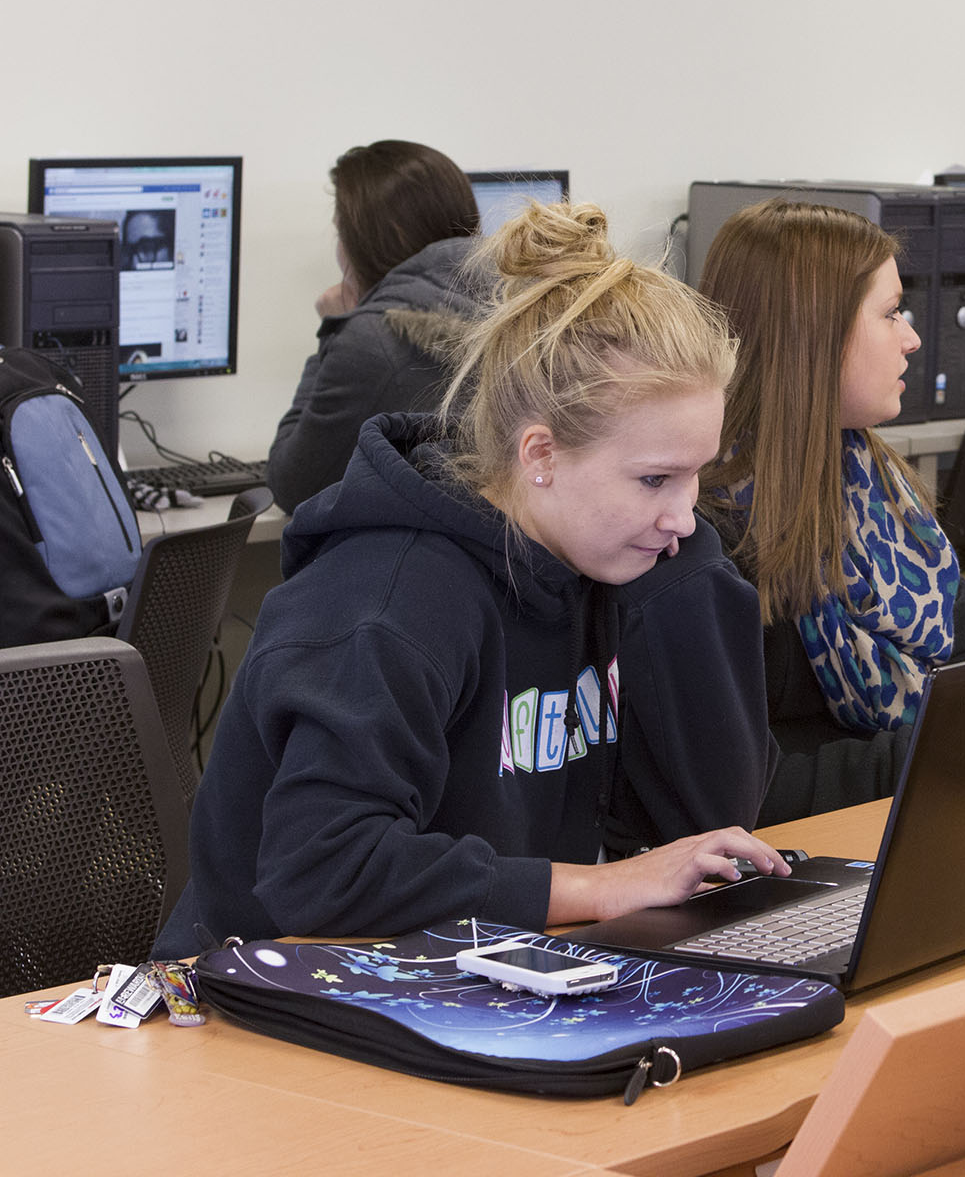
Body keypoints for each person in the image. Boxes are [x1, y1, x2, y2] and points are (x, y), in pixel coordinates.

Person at [155, 202, 782, 956]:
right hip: (264, 999)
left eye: (696, 476)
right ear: (541, 455)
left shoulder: (604, 565)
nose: (685, 516)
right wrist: (599, 887)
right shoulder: (388, 604)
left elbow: (715, 813)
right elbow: (321, 873)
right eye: (654, 479)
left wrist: (679, 586)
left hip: (473, 969)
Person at [697, 199, 965, 825]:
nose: (913, 338)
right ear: (812, 336)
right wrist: (935, 754)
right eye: (890, 315)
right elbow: (741, 794)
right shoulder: (705, 534)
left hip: (925, 811)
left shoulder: (889, 495)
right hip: (803, 865)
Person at [267, 140, 492, 513]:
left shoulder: (373, 342)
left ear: (367, 244)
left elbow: (291, 485)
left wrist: (335, 332)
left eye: (342, 234)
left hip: (419, 563)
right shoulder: (523, 314)